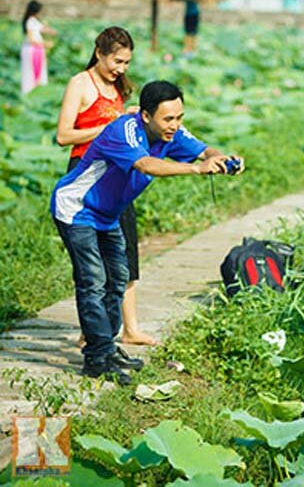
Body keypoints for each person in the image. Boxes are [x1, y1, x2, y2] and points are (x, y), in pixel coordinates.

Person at [50, 81, 245, 384]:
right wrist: (196, 170)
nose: (175, 125)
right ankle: (96, 358)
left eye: (179, 117)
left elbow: (204, 149)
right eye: (168, 119)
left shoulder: (171, 133)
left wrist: (221, 158)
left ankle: (107, 347)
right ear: (145, 116)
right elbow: (146, 165)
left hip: (107, 215)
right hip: (76, 209)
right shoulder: (123, 131)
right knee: (93, 280)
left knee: (118, 279)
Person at [55, 27, 158, 347]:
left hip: (118, 178)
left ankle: (130, 327)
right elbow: (64, 136)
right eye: (117, 61)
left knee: (125, 251)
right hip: (86, 179)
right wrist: (109, 128)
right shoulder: (80, 84)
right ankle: (92, 332)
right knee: (92, 263)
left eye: (126, 63)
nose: (121, 69)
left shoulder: (117, 87)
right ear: (99, 52)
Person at [20, 0, 56, 95]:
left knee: (39, 71)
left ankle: (36, 91)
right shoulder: (30, 22)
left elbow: (43, 29)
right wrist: (45, 44)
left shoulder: (34, 21)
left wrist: (51, 30)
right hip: (32, 50)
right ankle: (29, 92)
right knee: (31, 72)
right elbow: (32, 40)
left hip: (38, 49)